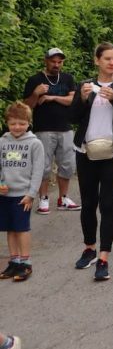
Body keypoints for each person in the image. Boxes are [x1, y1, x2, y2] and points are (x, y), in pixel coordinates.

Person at [70, 42, 113, 281]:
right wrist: (80, 98)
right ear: (96, 60)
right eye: (107, 58)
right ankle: (89, 248)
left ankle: (104, 258)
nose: (112, 63)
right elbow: (72, 118)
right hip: (85, 150)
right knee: (88, 203)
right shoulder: (85, 85)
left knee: (107, 204)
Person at [22, 47, 80, 214]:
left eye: (59, 62)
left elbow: (72, 100)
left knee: (68, 165)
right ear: (45, 61)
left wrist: (52, 97)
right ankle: (44, 199)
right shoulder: (35, 80)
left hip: (66, 128)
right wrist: (36, 93)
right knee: (44, 166)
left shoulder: (68, 78)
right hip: (43, 129)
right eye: (53, 61)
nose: (56, 64)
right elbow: (27, 107)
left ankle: (63, 198)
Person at [0, 102, 44, 282]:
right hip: (4, 194)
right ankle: (14, 261)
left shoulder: (35, 144)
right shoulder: (2, 142)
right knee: (10, 229)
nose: (17, 127)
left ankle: (25, 263)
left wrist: (31, 194)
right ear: (7, 123)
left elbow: (38, 171)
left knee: (22, 228)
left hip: (23, 195)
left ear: (28, 123)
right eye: (13, 124)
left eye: (21, 123)